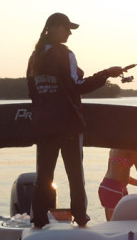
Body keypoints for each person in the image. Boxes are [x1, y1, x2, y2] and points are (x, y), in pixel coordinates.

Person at [26, 12, 123, 227]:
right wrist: (107, 73)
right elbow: (78, 86)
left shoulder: (35, 57)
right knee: (75, 175)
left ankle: (38, 220)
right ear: (54, 28)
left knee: (44, 175)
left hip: (43, 125)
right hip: (68, 125)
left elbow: (33, 91)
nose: (70, 32)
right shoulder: (65, 54)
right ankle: (80, 217)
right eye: (66, 28)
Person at [99, 149, 137, 220]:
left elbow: (122, 176)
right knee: (117, 225)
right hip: (115, 190)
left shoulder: (114, 147)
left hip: (105, 187)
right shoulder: (133, 148)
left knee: (110, 225)